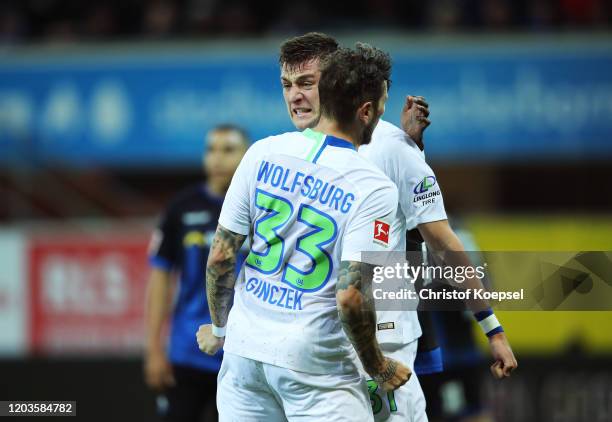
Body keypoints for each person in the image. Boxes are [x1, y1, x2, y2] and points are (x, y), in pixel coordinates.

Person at [276, 32, 518, 421]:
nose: (295, 96)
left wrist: (492, 328)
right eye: (288, 85)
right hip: (314, 339)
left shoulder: (390, 146)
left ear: (338, 80)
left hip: (382, 336)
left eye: (307, 83)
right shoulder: (287, 151)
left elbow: (440, 241)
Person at [197, 45, 411, 422]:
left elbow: (220, 256)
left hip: (244, 356)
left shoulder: (262, 152)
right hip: (317, 369)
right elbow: (350, 297)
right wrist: (378, 365)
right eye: (381, 107)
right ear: (366, 111)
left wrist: (219, 328)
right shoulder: (372, 187)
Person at [144, 124, 249, 422]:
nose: (217, 159)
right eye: (211, 150)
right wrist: (153, 348)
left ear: (246, 155)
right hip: (187, 352)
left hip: (240, 355)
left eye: (228, 150)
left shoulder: (260, 206)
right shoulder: (181, 208)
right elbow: (160, 279)